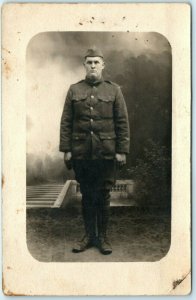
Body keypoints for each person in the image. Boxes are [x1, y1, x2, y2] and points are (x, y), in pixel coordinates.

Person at [59, 47, 130, 255]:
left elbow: (122, 122)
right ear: (84, 65)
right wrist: (66, 149)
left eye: (96, 62)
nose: (92, 66)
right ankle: (89, 236)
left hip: (107, 152)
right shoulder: (74, 90)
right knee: (88, 195)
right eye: (89, 62)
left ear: (103, 65)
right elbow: (66, 122)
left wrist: (122, 150)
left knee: (104, 194)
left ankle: (103, 238)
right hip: (82, 152)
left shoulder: (114, 90)